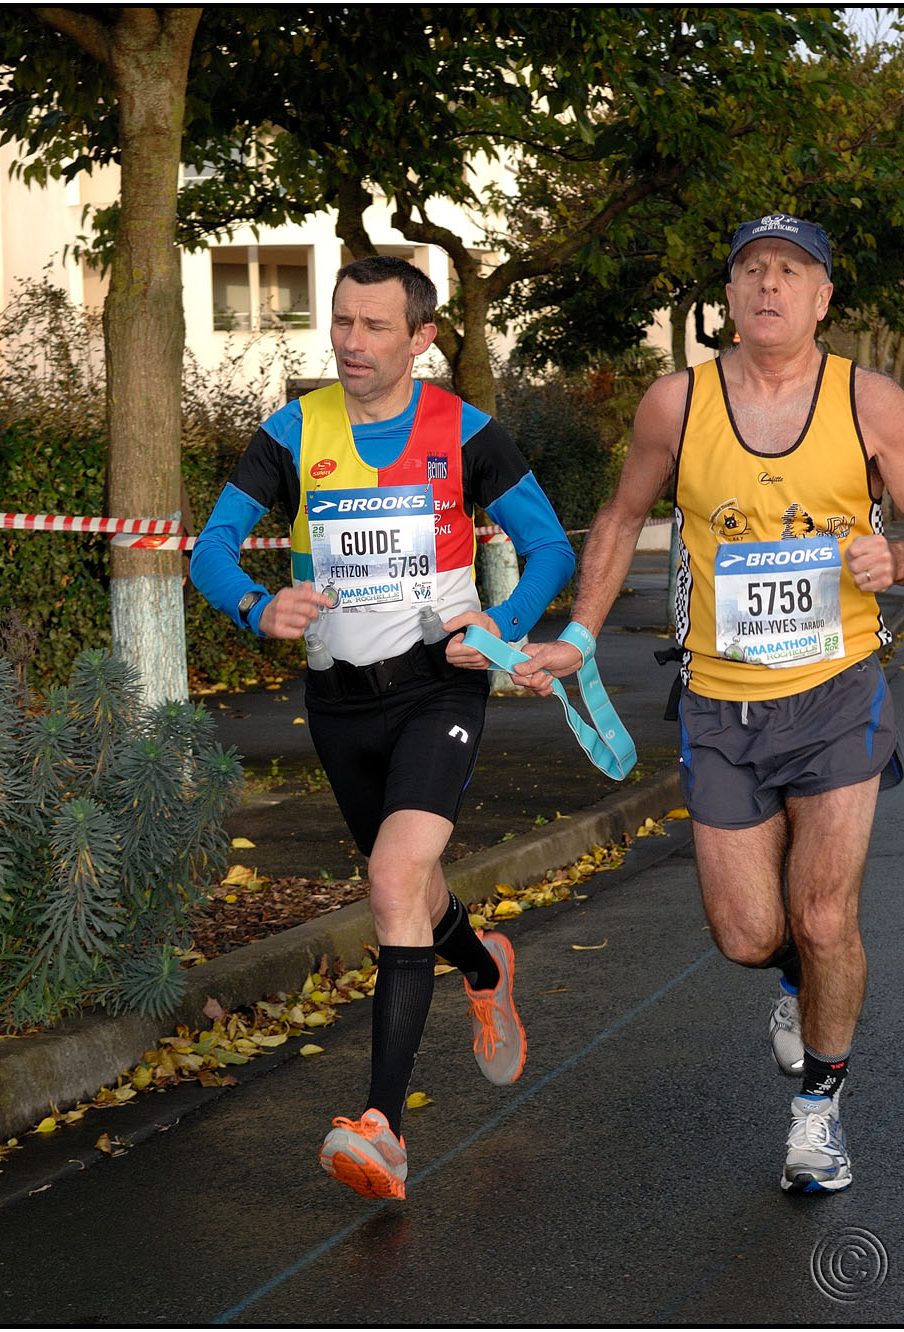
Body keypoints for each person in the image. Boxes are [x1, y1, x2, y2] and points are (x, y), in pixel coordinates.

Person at [511, 213, 904, 1193]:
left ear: (822, 296)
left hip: (839, 688)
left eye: (790, 271)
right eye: (751, 271)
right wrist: (580, 636)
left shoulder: (868, 402)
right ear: (729, 294)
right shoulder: (675, 404)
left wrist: (902, 557)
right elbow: (623, 517)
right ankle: (794, 987)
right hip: (719, 702)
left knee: (826, 914)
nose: (768, 286)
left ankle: (818, 1115)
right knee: (749, 934)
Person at [190, 256, 575, 1201]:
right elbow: (208, 550)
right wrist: (253, 607)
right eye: (341, 322)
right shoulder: (291, 432)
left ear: (421, 338)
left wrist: (502, 625)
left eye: (373, 326)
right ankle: (485, 966)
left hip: (439, 686)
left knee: (393, 878)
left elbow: (550, 547)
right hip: (338, 701)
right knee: (415, 889)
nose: (351, 343)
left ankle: (382, 1130)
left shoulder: (467, 434)